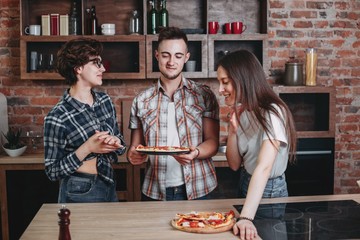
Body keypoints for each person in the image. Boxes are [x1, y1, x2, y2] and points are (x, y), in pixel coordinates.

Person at [127, 27, 220, 201]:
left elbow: (213, 142)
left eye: (178, 56)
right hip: (154, 190)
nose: (171, 61)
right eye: (165, 55)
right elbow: (136, 147)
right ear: (156, 55)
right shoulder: (141, 100)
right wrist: (133, 155)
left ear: (186, 57)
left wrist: (196, 152)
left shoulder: (204, 95)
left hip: (199, 188)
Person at [216, 50, 297, 239]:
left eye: (225, 82)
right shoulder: (245, 111)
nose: (220, 89)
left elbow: (264, 167)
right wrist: (233, 131)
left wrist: (245, 217)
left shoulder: (273, 112)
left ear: (244, 79)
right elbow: (235, 164)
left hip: (268, 190)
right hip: (246, 181)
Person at [44, 38, 126, 203]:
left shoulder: (104, 101)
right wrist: (88, 147)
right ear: (78, 68)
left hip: (109, 182)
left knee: (112, 230)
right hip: (78, 188)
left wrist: (116, 141)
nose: (102, 68)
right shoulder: (57, 116)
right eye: (96, 63)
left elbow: (121, 146)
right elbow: (52, 171)